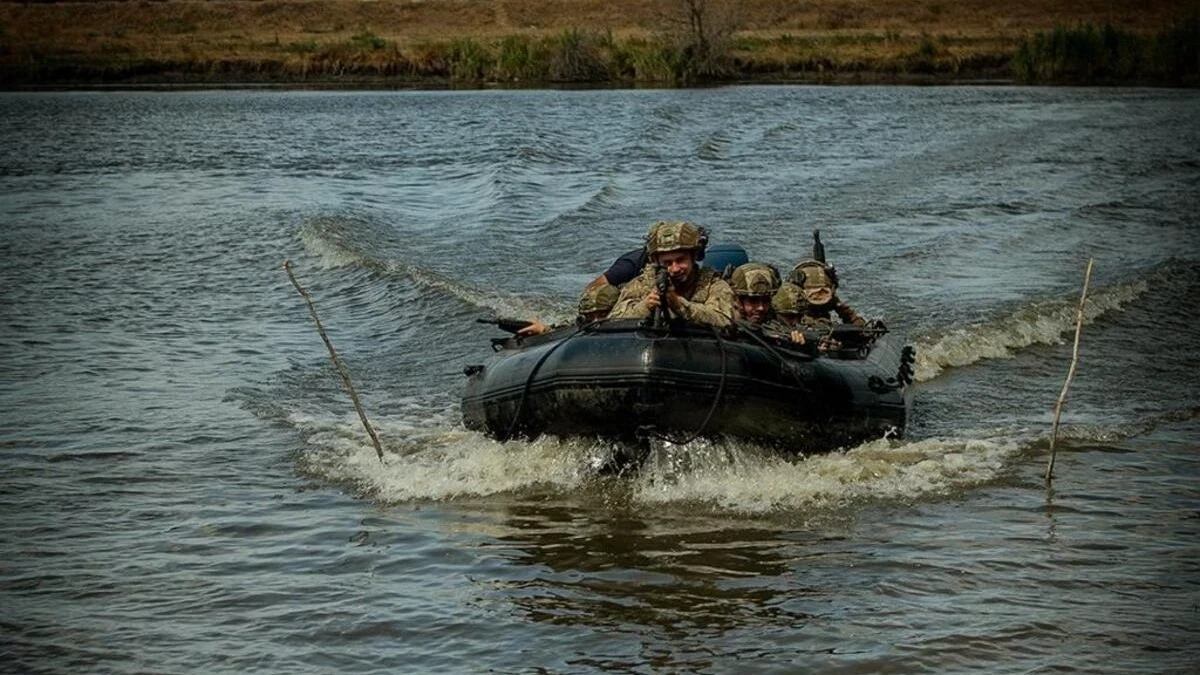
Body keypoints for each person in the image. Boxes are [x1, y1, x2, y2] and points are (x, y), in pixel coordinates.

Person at [608, 221, 734, 328]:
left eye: (680, 260)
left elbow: (724, 321)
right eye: (667, 262)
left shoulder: (713, 286)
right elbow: (612, 324)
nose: (674, 269)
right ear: (655, 261)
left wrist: (679, 305)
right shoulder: (640, 286)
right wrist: (645, 306)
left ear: (694, 256)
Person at [517, 281, 620, 337]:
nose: (595, 321)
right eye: (590, 317)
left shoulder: (627, 319)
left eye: (602, 315)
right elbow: (565, 330)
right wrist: (543, 330)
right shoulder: (582, 325)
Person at [784, 259, 866, 328]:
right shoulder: (793, 303)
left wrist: (860, 327)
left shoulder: (832, 300)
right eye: (813, 291)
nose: (818, 295)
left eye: (822, 292)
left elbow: (850, 316)